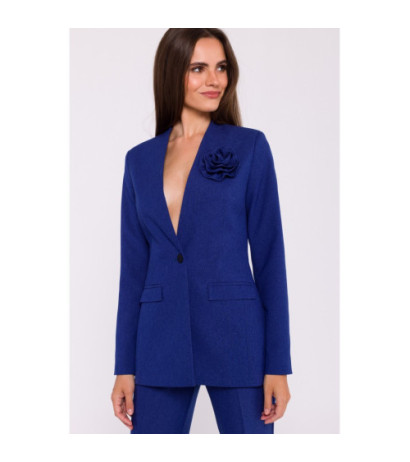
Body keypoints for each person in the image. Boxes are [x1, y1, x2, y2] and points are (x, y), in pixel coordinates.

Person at [110, 28, 293, 434]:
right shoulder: (138, 161)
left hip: (237, 338)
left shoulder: (249, 147)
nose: (215, 80)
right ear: (172, 72)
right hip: (159, 342)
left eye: (221, 67)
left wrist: (277, 365)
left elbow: (270, 259)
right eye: (198, 68)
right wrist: (124, 366)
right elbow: (133, 271)